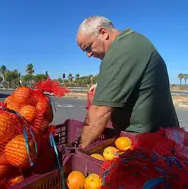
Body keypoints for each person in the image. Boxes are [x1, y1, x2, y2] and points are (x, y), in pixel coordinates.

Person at [76, 16, 179, 148]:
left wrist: (80, 147)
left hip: (147, 140)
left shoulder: (120, 51)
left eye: (88, 48)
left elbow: (101, 110)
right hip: (158, 133)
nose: (88, 55)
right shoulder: (132, 41)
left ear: (103, 33)